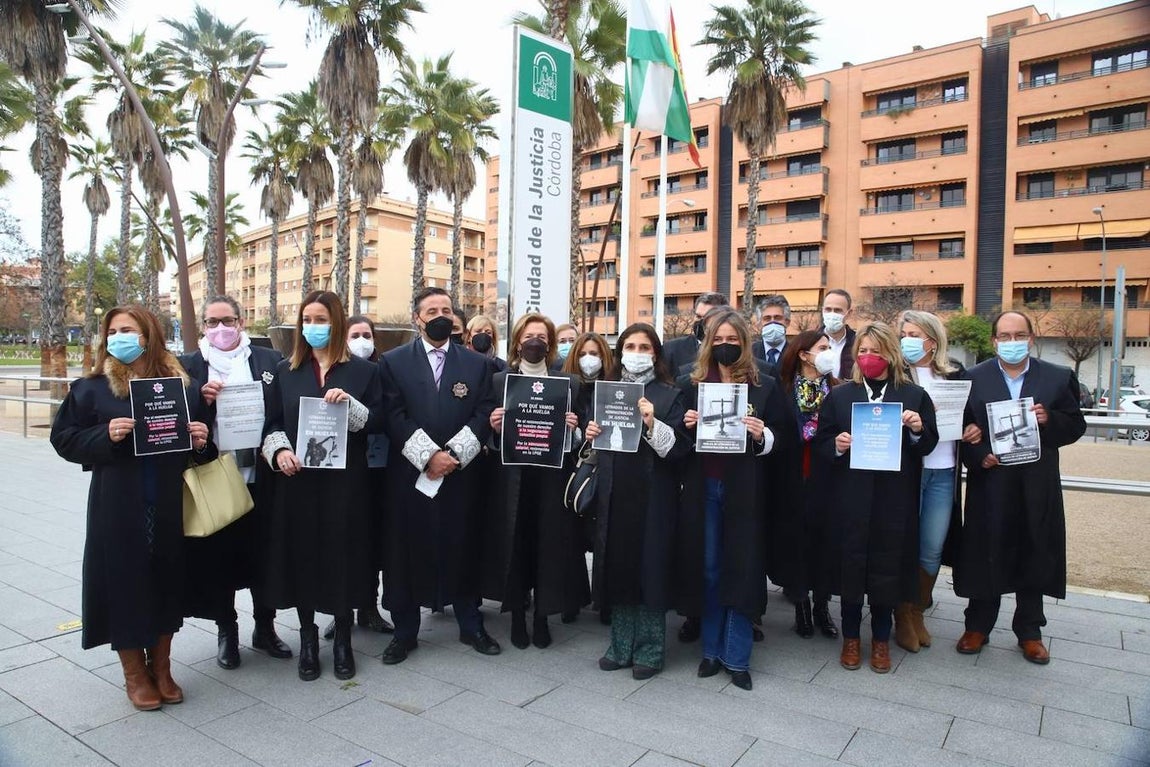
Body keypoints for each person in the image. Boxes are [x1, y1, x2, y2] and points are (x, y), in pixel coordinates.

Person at [51, 305, 213, 710]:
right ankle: (135, 674)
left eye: (128, 329)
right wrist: (104, 435)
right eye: (113, 331)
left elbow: (202, 448)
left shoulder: (181, 387)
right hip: (118, 504)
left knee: (165, 581)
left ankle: (162, 668)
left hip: (168, 501)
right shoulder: (91, 388)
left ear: (148, 335)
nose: (118, 337)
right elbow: (64, 439)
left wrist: (200, 439)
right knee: (123, 583)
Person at [260, 291, 384, 682]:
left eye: (322, 320)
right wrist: (279, 451)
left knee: (342, 555)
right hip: (298, 483)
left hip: (345, 484)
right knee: (303, 556)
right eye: (308, 320)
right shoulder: (286, 370)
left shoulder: (363, 372)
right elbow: (272, 422)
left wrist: (350, 406)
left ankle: (344, 635)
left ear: (338, 323)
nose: (313, 327)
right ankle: (308, 637)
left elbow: (379, 422)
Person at [954, 311, 1086, 665]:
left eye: (1019, 335)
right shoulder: (972, 378)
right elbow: (962, 428)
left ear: (1031, 338)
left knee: (1035, 548)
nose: (1011, 342)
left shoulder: (1057, 377)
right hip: (991, 481)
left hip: (1036, 481)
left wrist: (1049, 419)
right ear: (994, 341)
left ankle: (1030, 631)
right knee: (986, 549)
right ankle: (977, 625)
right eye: (1004, 336)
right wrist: (977, 452)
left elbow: (1076, 424)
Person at [378, 287, 500, 664]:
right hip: (410, 476)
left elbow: (484, 412)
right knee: (405, 550)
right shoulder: (393, 361)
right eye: (431, 311)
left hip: (460, 475)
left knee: (463, 544)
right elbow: (392, 414)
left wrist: (453, 456)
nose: (440, 316)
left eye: (446, 309)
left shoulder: (477, 364)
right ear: (417, 318)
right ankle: (404, 632)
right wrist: (428, 456)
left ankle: (470, 623)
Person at [813, 322, 939, 674]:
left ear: (891, 354)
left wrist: (917, 429)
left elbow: (928, 443)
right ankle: (851, 637)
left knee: (888, 566)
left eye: (876, 351)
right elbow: (822, 443)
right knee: (852, 566)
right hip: (852, 496)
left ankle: (882, 639)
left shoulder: (913, 396)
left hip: (894, 497)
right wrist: (837, 445)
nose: (869, 357)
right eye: (863, 351)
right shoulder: (841, 396)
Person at [179, 296, 293, 671]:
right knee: (220, 558)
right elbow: (178, 421)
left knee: (265, 553)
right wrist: (202, 401)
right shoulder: (188, 366)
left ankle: (265, 627)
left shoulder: (267, 360)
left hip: (262, 474)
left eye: (227, 320)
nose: (220, 328)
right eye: (212, 322)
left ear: (241, 321)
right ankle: (226, 630)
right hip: (216, 475)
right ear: (203, 326)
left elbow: (281, 412)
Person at [676, 308, 787, 691]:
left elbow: (784, 437)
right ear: (709, 343)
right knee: (709, 569)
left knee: (742, 567)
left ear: (744, 343)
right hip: (704, 487)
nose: (725, 345)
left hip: (744, 489)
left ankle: (736, 655)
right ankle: (710, 650)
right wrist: (687, 426)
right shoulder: (689, 384)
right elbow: (674, 442)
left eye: (733, 340)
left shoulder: (764, 385)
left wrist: (761, 435)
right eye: (719, 340)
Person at [586, 323, 690, 679]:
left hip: (654, 495)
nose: (636, 353)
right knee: (620, 567)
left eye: (644, 347)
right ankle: (620, 645)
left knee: (651, 569)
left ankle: (650, 649)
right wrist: (590, 433)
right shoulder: (607, 391)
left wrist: (651, 423)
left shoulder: (670, 394)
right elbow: (593, 445)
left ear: (656, 354)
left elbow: (678, 451)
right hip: (615, 493)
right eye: (630, 346)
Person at [484, 314, 589, 648]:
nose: (535, 342)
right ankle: (517, 615)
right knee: (516, 545)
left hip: (550, 479)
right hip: (512, 479)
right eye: (529, 336)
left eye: (542, 337)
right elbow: (489, 438)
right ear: (518, 341)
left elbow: (580, 440)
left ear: (550, 345)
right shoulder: (500, 381)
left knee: (547, 546)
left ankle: (542, 616)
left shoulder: (568, 383)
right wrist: (494, 428)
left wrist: (572, 429)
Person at [894, 311, 981, 653]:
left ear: (932, 341)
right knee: (905, 542)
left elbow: (971, 417)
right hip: (909, 471)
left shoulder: (955, 374)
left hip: (944, 471)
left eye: (914, 334)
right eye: (904, 334)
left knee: (932, 546)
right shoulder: (897, 374)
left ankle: (917, 609)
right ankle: (902, 614)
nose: (907, 340)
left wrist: (972, 428)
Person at [320, 316, 394, 641]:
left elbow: (386, 415)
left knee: (372, 541)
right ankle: (342, 611)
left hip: (381, 468)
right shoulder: (335, 372)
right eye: (355, 334)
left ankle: (368, 606)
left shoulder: (383, 371)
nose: (361, 340)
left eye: (367, 334)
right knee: (344, 540)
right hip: (345, 468)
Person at [775, 330, 840, 639]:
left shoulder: (837, 389)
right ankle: (801, 604)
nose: (828, 352)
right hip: (792, 477)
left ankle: (822, 606)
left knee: (825, 543)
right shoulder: (783, 389)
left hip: (828, 476)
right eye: (822, 347)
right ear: (803, 354)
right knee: (796, 543)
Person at [662, 292, 730, 376]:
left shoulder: (731, 349)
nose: (701, 322)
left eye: (708, 318)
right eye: (698, 316)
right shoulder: (671, 349)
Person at [820, 289, 857, 379]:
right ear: (822, 311)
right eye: (828, 309)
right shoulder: (811, 342)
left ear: (849, 313)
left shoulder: (857, 343)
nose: (832, 314)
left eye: (837, 310)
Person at [752, 295, 791, 367]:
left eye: (777, 318)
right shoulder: (749, 353)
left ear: (787, 322)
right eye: (767, 318)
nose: (772, 322)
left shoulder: (796, 353)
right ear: (759, 324)